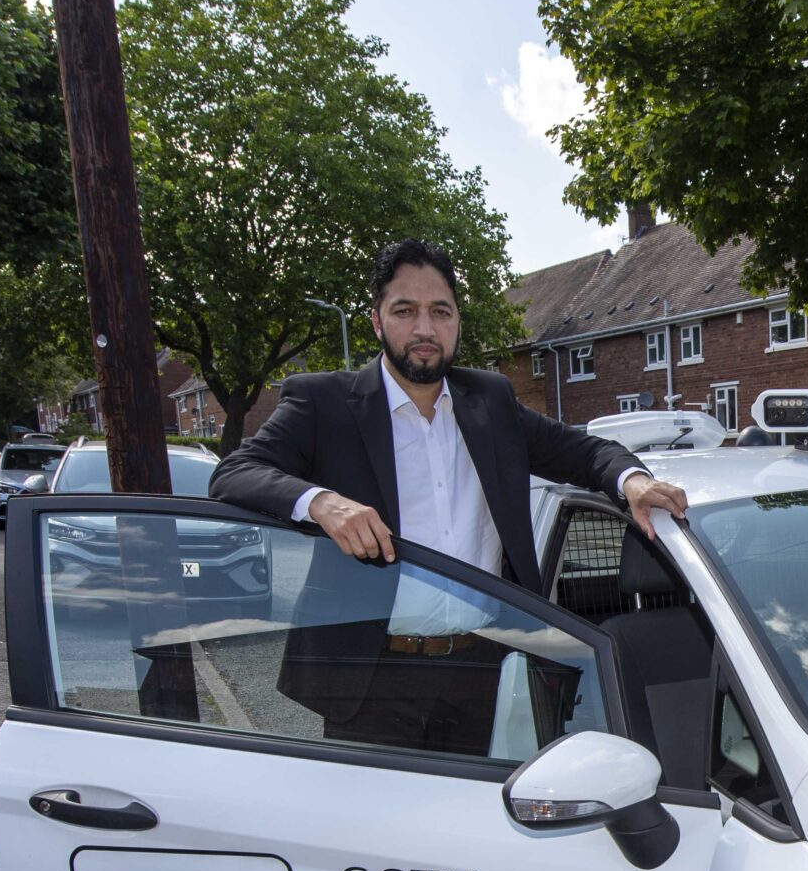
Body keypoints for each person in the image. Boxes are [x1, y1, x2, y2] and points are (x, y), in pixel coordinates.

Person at [209, 238, 688, 752]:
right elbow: (235, 472)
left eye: (440, 312)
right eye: (405, 311)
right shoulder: (324, 403)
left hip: (476, 667)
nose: (424, 329)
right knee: (376, 831)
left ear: (457, 320)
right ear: (376, 320)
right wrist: (321, 502)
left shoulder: (491, 402)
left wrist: (633, 480)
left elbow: (582, 452)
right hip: (371, 678)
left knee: (466, 826)